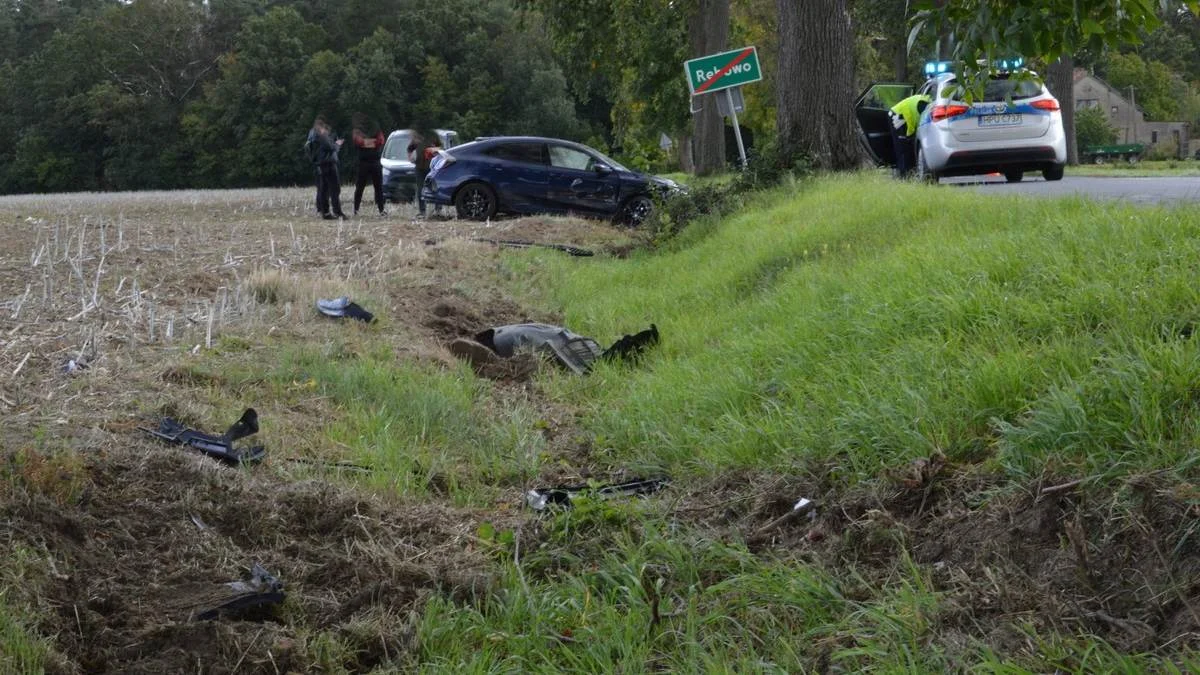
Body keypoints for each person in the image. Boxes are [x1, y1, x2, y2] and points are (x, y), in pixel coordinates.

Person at [352, 114, 387, 216]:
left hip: (375, 161)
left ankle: (381, 210)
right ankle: (356, 209)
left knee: (378, 187)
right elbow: (358, 142)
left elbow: (380, 141)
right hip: (363, 162)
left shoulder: (376, 129)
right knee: (360, 187)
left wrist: (365, 143)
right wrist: (372, 142)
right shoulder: (357, 130)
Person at [889, 93, 931, 177]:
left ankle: (909, 171)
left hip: (905, 116)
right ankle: (904, 174)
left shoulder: (927, 101)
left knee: (907, 145)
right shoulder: (924, 104)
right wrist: (910, 134)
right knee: (902, 147)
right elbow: (910, 120)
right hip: (898, 115)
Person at [314, 120, 346, 220]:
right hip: (328, 165)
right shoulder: (322, 136)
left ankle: (326, 212)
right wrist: (338, 144)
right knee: (335, 189)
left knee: (324, 190)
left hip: (322, 165)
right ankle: (337, 212)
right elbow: (331, 148)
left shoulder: (314, 137)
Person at [407, 129, 443, 218]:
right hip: (419, 167)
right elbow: (410, 149)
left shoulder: (433, 135)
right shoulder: (416, 135)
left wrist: (433, 149)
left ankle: (438, 210)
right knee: (420, 190)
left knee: (434, 188)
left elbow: (441, 148)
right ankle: (422, 211)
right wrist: (410, 157)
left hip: (432, 168)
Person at [303, 117, 327, 214]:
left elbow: (307, 147)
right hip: (322, 162)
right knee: (323, 186)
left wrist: (312, 159)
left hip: (316, 162)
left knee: (320, 186)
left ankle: (319, 207)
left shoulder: (311, 134)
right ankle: (321, 207)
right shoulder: (319, 134)